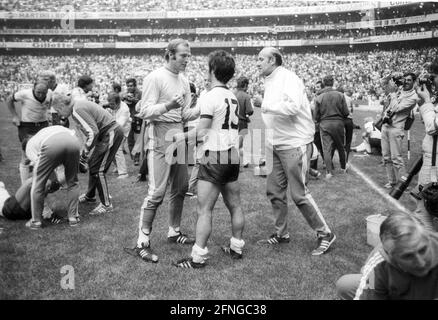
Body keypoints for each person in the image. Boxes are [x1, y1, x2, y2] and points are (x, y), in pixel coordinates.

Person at [125, 39, 200, 263]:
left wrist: (201, 109)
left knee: (180, 187)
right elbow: (145, 112)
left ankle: (174, 231)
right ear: (170, 55)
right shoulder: (155, 77)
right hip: (160, 134)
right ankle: (141, 242)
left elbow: (184, 114)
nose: (187, 59)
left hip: (179, 134)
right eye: (183, 55)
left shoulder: (184, 80)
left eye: (188, 55)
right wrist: (168, 106)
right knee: (156, 192)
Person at [256, 47, 335, 256]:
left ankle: (325, 233)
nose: (258, 63)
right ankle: (281, 233)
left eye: (261, 59)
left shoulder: (289, 78)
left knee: (299, 194)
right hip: (275, 143)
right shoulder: (270, 79)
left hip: (293, 143)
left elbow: (292, 107)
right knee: (274, 191)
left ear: (272, 60)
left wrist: (264, 105)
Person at [173, 50, 244, 269]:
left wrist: (180, 137)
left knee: (204, 209)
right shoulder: (231, 96)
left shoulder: (211, 95)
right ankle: (236, 247)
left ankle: (198, 257)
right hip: (232, 154)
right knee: (235, 205)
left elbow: (202, 132)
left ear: (212, 69)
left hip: (215, 154)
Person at [52, 89, 124, 216]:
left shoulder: (76, 109)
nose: (60, 114)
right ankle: (90, 196)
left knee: (98, 169)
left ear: (62, 106)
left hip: (110, 132)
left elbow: (93, 132)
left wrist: (85, 152)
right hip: (108, 132)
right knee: (94, 164)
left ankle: (106, 205)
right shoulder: (78, 106)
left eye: (58, 110)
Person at [336, 211, 438, 300]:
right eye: (407, 256)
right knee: (346, 285)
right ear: (390, 257)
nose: (421, 262)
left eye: (422, 250)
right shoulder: (377, 267)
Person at [22, 125, 81, 229]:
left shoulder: (29, 147)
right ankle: (73, 218)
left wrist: (54, 182)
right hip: (74, 141)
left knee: (37, 185)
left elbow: (44, 173)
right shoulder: (43, 132)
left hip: (52, 144)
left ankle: (35, 222)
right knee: (73, 182)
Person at [6, 80, 52, 184]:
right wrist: (15, 115)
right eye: (38, 92)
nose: (41, 95)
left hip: (43, 125)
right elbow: (9, 99)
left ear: (47, 90)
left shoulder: (49, 93)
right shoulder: (24, 94)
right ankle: (24, 185)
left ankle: (41, 182)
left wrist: (48, 111)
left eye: (43, 93)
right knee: (26, 155)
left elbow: (50, 100)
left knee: (43, 153)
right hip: (27, 126)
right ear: (33, 89)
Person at [380, 73, 419, 189]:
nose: (406, 82)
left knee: (396, 158)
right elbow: (386, 103)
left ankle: (403, 185)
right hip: (386, 125)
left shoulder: (413, 97)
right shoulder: (398, 90)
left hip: (396, 128)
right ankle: (392, 181)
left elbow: (397, 108)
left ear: (414, 82)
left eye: (409, 80)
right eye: (404, 79)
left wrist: (392, 94)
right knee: (386, 156)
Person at [413, 59, 438, 232]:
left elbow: (432, 127)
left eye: (435, 76)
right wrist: (426, 103)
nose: (433, 80)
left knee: (423, 212)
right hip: (432, 157)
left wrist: (427, 101)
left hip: (435, 162)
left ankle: (429, 254)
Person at [314, 75, 350, 179]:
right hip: (338, 123)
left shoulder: (319, 97)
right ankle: (343, 167)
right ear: (333, 82)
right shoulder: (340, 95)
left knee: (326, 149)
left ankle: (329, 172)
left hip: (325, 124)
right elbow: (346, 112)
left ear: (324, 83)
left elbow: (315, 116)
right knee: (341, 146)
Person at [107, 92, 131, 179]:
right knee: (110, 149)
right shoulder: (113, 106)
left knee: (117, 149)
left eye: (112, 104)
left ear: (118, 102)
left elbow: (119, 125)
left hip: (122, 131)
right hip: (114, 130)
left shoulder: (124, 109)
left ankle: (123, 173)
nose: (110, 106)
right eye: (109, 103)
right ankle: (117, 166)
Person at [234, 76, 254, 168]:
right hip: (242, 122)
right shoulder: (246, 96)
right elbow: (250, 111)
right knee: (240, 144)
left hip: (233, 122)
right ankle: (240, 163)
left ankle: (245, 161)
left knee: (236, 143)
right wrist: (247, 114)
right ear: (245, 85)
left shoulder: (233, 94)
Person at [122, 78, 142, 166]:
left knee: (138, 139)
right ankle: (133, 157)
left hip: (138, 118)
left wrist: (133, 99)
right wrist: (124, 98)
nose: (129, 87)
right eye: (128, 86)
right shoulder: (125, 93)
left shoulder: (140, 93)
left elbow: (142, 103)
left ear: (135, 86)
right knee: (130, 140)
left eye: (131, 86)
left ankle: (137, 157)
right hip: (129, 119)